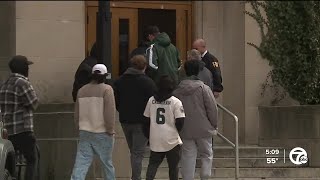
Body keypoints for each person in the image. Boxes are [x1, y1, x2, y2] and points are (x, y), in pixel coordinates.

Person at [173, 60, 218, 180]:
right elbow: (212, 108)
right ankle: (205, 176)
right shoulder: (204, 88)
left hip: (185, 128)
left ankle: (188, 177)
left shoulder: (177, 90)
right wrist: (214, 124)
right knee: (207, 154)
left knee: (188, 155)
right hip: (204, 127)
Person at [114, 55, 156, 180]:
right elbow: (154, 101)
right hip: (141, 122)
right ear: (144, 67)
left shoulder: (119, 81)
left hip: (125, 120)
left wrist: (122, 110)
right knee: (137, 153)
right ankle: (135, 178)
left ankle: (135, 176)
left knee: (133, 151)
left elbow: (116, 101)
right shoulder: (148, 82)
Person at [71, 64, 116, 180]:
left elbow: (77, 114)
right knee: (107, 163)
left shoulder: (81, 90)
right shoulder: (107, 89)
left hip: (85, 131)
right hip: (103, 132)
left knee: (81, 163)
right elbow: (109, 112)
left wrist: (78, 128)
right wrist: (110, 129)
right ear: (105, 76)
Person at [0, 55, 39, 180]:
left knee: (12, 162)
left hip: (8, 131)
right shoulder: (22, 82)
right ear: (24, 68)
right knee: (32, 159)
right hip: (22, 130)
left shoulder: (4, 84)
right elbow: (34, 103)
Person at [143, 75, 185, 180]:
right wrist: (175, 131)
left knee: (152, 165)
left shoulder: (151, 100)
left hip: (155, 138)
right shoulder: (175, 101)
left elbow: (145, 121)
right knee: (173, 167)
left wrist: (149, 135)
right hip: (172, 139)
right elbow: (180, 121)